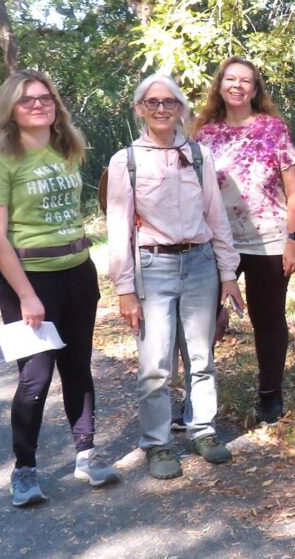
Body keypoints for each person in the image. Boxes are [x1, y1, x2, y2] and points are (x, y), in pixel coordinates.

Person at [0, 69, 121, 506]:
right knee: (35, 377)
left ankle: (87, 456)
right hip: (29, 281)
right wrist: (26, 295)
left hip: (77, 271)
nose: (38, 105)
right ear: (10, 110)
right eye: (26, 100)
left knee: (78, 366)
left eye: (45, 97)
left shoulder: (66, 148)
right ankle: (24, 469)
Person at [106, 73, 244, 479]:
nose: (162, 109)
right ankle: (158, 443)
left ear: (181, 108)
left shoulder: (199, 155)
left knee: (201, 358)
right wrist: (124, 289)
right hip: (153, 268)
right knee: (156, 363)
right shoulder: (126, 161)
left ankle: (203, 431)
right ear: (140, 109)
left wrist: (228, 272)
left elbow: (216, 216)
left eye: (169, 102)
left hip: (200, 264)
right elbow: (119, 229)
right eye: (153, 103)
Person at [194, 57, 295, 425]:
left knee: (268, 319)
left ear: (255, 90)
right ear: (220, 85)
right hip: (215, 242)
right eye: (230, 79)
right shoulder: (204, 134)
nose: (238, 86)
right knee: (200, 317)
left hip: (268, 241)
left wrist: (294, 240)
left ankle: (270, 396)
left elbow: (294, 193)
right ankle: (196, 396)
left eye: (246, 81)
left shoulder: (273, 129)